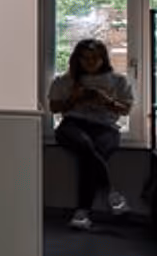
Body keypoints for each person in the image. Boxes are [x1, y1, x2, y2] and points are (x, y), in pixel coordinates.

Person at [48, 38, 135, 230]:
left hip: (106, 128)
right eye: (85, 58)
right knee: (86, 147)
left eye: (95, 58)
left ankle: (82, 213)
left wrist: (106, 101)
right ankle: (112, 196)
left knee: (90, 157)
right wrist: (74, 98)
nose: (90, 62)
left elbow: (126, 109)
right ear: (77, 59)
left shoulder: (118, 81)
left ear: (103, 59)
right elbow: (54, 108)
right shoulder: (65, 80)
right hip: (73, 125)